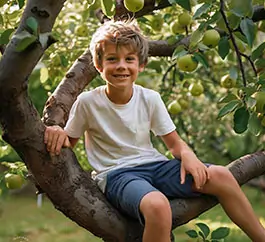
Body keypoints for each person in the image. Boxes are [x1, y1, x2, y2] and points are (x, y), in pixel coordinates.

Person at [44, 20, 265, 242]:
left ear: (141, 64)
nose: (121, 66)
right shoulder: (88, 102)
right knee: (158, 205)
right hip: (118, 175)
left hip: (155, 166)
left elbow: (174, 143)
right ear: (99, 65)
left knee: (222, 175)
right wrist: (57, 130)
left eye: (129, 59)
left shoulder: (150, 98)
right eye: (112, 59)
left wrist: (188, 156)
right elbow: (68, 142)